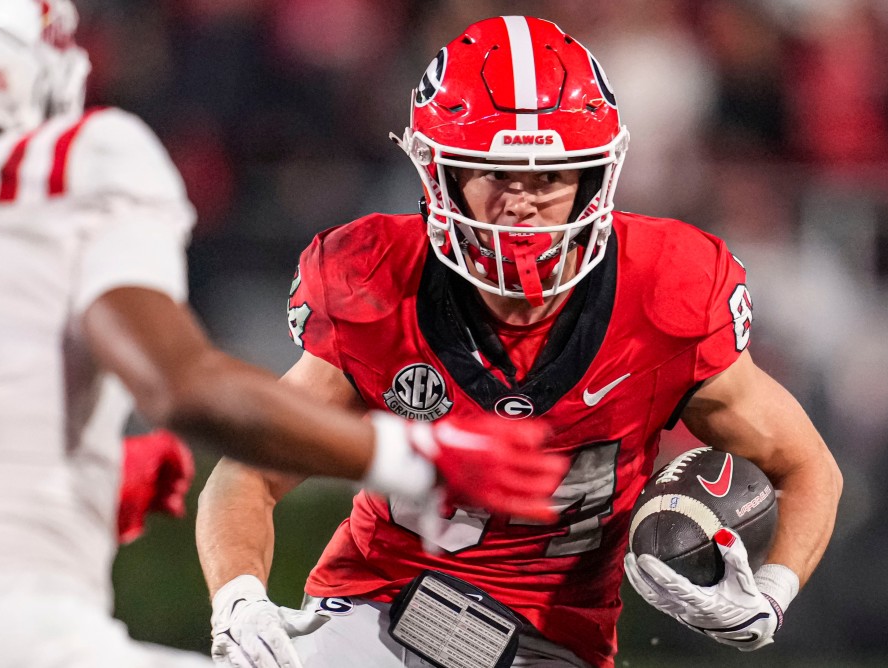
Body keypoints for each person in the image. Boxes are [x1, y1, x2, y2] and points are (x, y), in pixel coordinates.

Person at [0, 3, 567, 667]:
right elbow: (180, 386)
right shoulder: (71, 162)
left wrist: (79, 478)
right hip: (19, 635)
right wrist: (416, 456)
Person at [198, 15, 844, 668]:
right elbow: (247, 473)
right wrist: (240, 596)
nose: (521, 203)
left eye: (548, 177)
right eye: (495, 174)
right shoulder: (375, 282)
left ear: (595, 180)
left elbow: (808, 468)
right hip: (380, 615)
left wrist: (770, 592)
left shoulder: (666, 290)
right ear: (440, 176)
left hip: (555, 649)